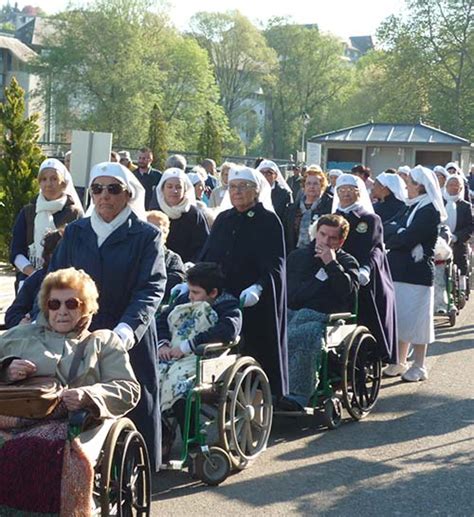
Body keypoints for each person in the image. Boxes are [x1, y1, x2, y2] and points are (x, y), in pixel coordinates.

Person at [49, 161, 166, 471]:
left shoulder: (146, 235)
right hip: (80, 333)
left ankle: (136, 472)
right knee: (77, 405)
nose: (104, 196)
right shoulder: (76, 231)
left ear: (128, 195)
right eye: (97, 189)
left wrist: (127, 330)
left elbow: (151, 287)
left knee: (133, 402)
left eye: (113, 189)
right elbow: (55, 280)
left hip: (128, 333)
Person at [0, 267, 140, 515]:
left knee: (35, 451)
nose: (62, 310)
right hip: (11, 415)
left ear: (85, 307)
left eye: (71, 303)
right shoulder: (18, 335)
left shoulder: (103, 341)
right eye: (54, 303)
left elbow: (127, 388)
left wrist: (88, 395)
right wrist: (5, 369)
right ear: (46, 306)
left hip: (72, 422)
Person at [200, 166, 288, 398]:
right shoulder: (223, 218)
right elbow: (208, 255)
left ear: (256, 191)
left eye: (242, 187)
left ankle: (261, 401)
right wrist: (191, 277)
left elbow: (275, 263)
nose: (236, 192)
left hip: (253, 300)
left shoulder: (268, 221)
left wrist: (259, 286)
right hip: (220, 297)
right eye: (232, 187)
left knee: (257, 352)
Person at [157, 262, 242, 453]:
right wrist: (163, 343)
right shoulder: (184, 300)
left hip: (202, 358)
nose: (190, 296)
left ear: (213, 293)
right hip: (171, 355)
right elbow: (162, 318)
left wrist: (188, 345)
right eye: (190, 291)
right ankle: (162, 432)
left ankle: (192, 441)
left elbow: (228, 330)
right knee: (147, 380)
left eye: (195, 293)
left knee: (179, 386)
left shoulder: (228, 305)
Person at [280, 214, 359, 410]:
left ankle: (299, 394)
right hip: (292, 312)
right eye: (322, 235)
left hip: (326, 317)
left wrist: (332, 265)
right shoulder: (297, 256)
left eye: (332, 238)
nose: (325, 241)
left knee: (302, 334)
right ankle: (272, 387)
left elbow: (347, 292)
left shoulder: (347, 261)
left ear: (340, 241)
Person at [384, 166, 447, 382]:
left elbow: (407, 238)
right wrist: (397, 233)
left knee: (418, 320)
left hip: (416, 273)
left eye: (409, 182)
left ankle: (420, 365)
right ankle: (400, 361)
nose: (406, 186)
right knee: (401, 317)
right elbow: (388, 227)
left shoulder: (429, 210)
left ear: (419, 185)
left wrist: (397, 233)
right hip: (399, 270)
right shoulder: (411, 207)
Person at [334, 174, 398, 364]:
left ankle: (369, 356)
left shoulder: (369, 218)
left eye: (350, 190)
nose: (345, 194)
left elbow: (375, 248)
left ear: (358, 192)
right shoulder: (332, 217)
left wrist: (365, 269)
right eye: (341, 190)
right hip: (335, 271)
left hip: (362, 274)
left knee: (365, 312)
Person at [10, 158, 83, 292]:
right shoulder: (28, 212)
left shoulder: (75, 214)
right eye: (44, 179)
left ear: (63, 183)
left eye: (54, 179)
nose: (48, 184)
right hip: (29, 280)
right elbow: (16, 251)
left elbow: (80, 253)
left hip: (64, 284)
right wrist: (34, 274)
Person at [5, 228, 63, 328]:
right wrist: (22, 322)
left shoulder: (82, 281)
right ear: (49, 255)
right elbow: (12, 314)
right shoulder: (37, 279)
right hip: (38, 337)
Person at [150, 168, 210, 263]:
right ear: (162, 189)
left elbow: (204, 246)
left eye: (178, 187)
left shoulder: (194, 214)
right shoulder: (154, 214)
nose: (174, 191)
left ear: (185, 190)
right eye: (169, 187)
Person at [284, 168, 332, 253]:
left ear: (322, 186)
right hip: (294, 254)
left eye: (315, 184)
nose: (312, 187)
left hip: (319, 254)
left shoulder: (328, 207)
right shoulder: (293, 209)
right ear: (303, 186)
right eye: (308, 183)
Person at [443, 175, 473, 296]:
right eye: (451, 184)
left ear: (461, 188)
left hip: (458, 244)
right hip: (440, 243)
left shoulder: (465, 206)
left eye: (457, 185)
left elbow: (470, 227)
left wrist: (456, 237)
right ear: (446, 186)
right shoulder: (440, 202)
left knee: (459, 268)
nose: (454, 187)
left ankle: (460, 292)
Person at [146, 210, 186, 301]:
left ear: (166, 233)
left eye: (159, 230)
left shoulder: (172, 258)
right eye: (150, 228)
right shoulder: (132, 254)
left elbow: (176, 278)